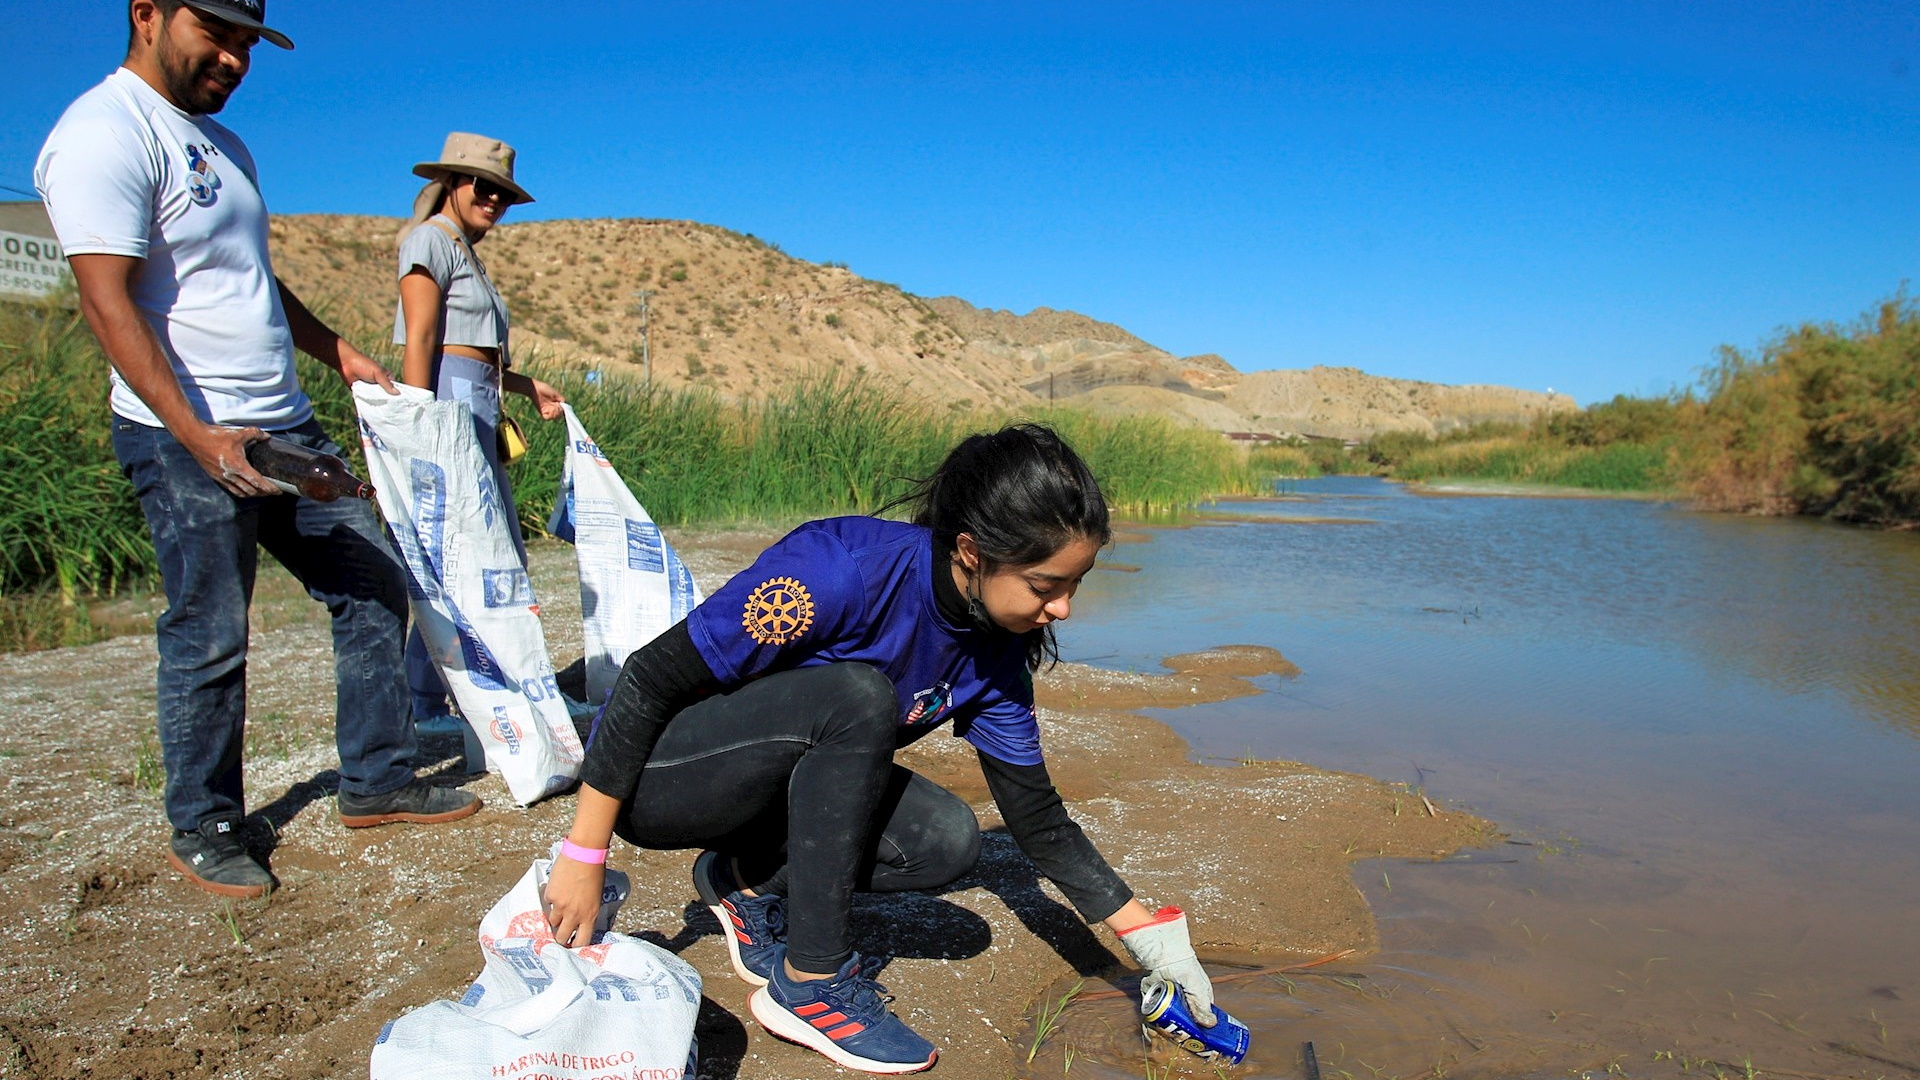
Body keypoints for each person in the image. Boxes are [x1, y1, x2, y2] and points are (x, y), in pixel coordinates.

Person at [542, 424, 1217, 1075]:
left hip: (764, 790)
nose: (1064, 608)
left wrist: (1151, 940)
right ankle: (812, 984)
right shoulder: (839, 575)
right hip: (660, 778)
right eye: (1045, 586)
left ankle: (743, 883)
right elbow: (648, 678)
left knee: (946, 840)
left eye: (1076, 583)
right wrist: (584, 854)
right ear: (971, 552)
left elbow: (1038, 818)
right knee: (859, 697)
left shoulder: (997, 657)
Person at [35, 0, 480, 901]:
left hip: (284, 425)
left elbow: (249, 280)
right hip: (185, 431)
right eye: (218, 34)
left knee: (370, 578)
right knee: (210, 629)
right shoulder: (103, 131)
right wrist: (194, 434)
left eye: (247, 43)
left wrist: (335, 350)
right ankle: (204, 824)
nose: (236, 58)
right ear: (148, 14)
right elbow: (106, 301)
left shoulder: (225, 146)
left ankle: (376, 780)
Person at [391, 132, 563, 728]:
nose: (493, 200)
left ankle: (475, 691)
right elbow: (421, 339)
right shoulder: (430, 242)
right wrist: (420, 423)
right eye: (482, 187)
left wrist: (525, 386)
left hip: (479, 405)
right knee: (460, 554)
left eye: (503, 194)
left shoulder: (465, 251)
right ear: (452, 183)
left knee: (487, 554)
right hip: (449, 408)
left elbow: (475, 351)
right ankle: (427, 701)